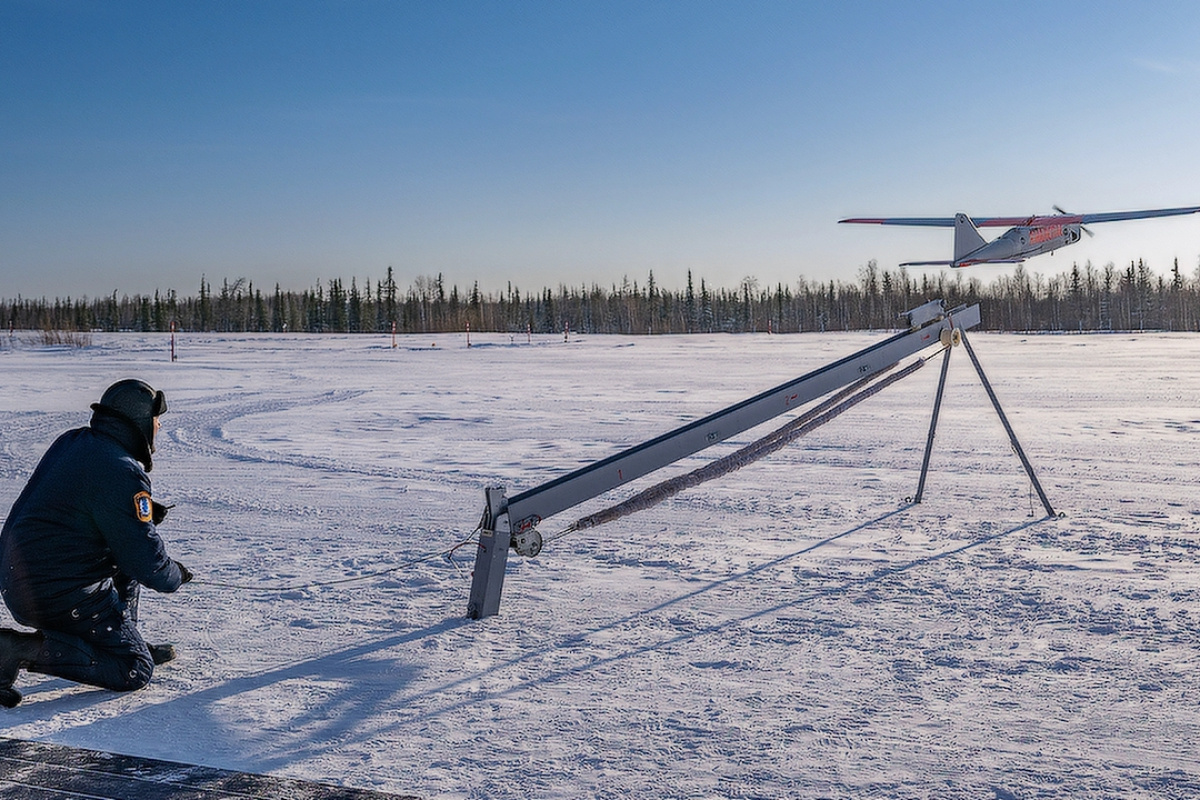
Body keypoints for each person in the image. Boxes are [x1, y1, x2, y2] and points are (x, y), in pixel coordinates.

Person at [0, 379, 192, 708]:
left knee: (123, 554)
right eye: (156, 420)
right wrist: (177, 574)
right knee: (134, 669)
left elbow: (76, 500)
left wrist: (126, 516)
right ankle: (19, 649)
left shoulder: (75, 441)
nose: (159, 428)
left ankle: (122, 639)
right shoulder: (122, 471)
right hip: (53, 593)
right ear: (140, 422)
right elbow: (148, 565)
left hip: (20, 578)